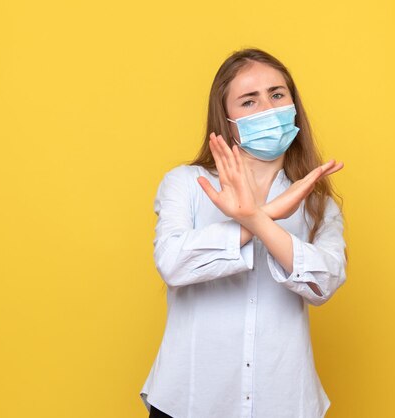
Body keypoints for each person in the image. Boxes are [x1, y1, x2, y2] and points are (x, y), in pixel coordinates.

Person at [140, 47, 348, 418]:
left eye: (277, 94)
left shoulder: (317, 201)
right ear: (227, 119)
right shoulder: (187, 184)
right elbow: (173, 264)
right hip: (188, 401)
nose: (267, 109)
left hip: (284, 402)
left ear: (293, 104)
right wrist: (264, 216)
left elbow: (325, 282)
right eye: (249, 101)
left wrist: (254, 219)